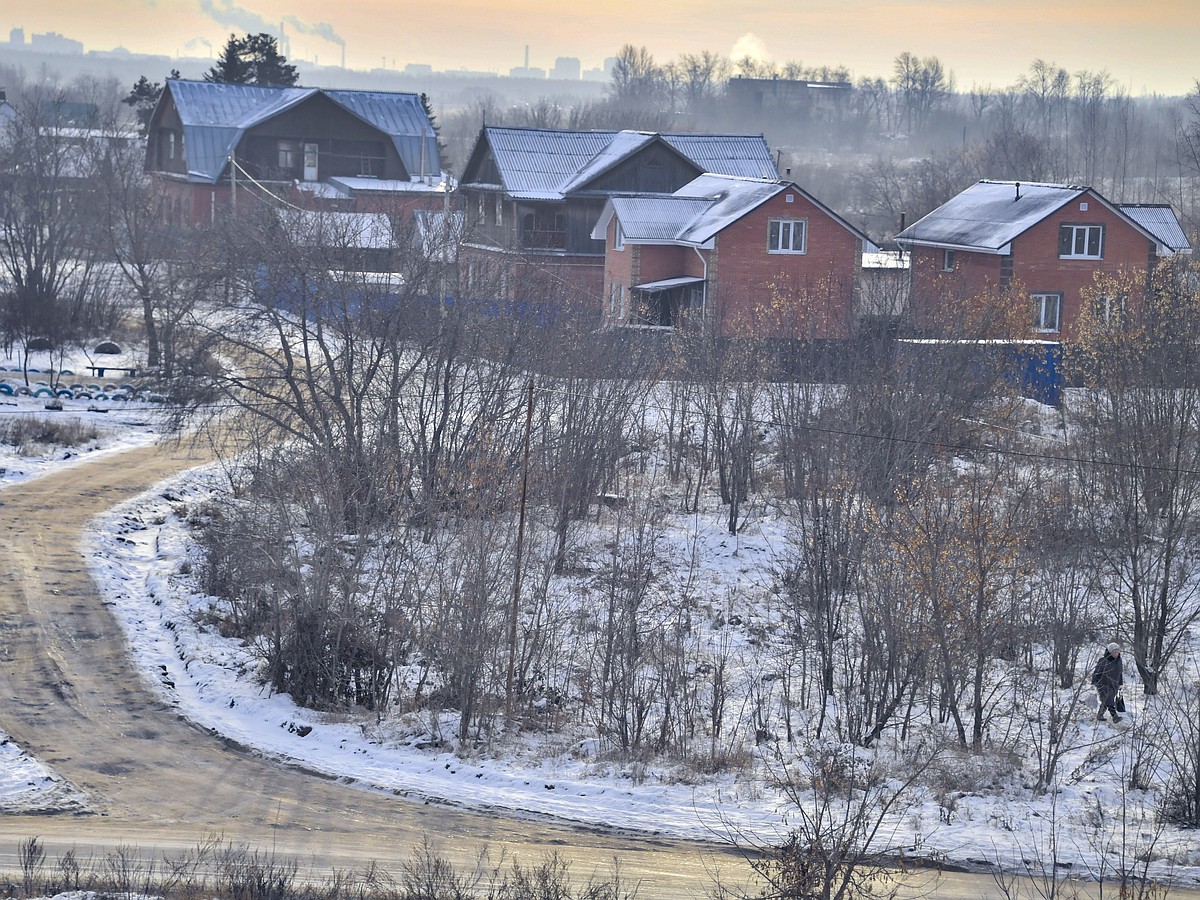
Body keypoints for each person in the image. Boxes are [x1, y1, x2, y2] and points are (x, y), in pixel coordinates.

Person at [1091, 642, 1123, 723]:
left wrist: (1120, 683)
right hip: (1103, 684)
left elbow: (1120, 673)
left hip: (1114, 685)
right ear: (1110, 652)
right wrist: (1096, 682)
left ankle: (1100, 715)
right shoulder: (1103, 661)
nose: (1116, 653)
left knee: (1107, 701)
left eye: (1117, 651)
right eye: (1114, 652)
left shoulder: (1119, 661)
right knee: (1109, 700)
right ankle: (1114, 717)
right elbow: (1097, 672)